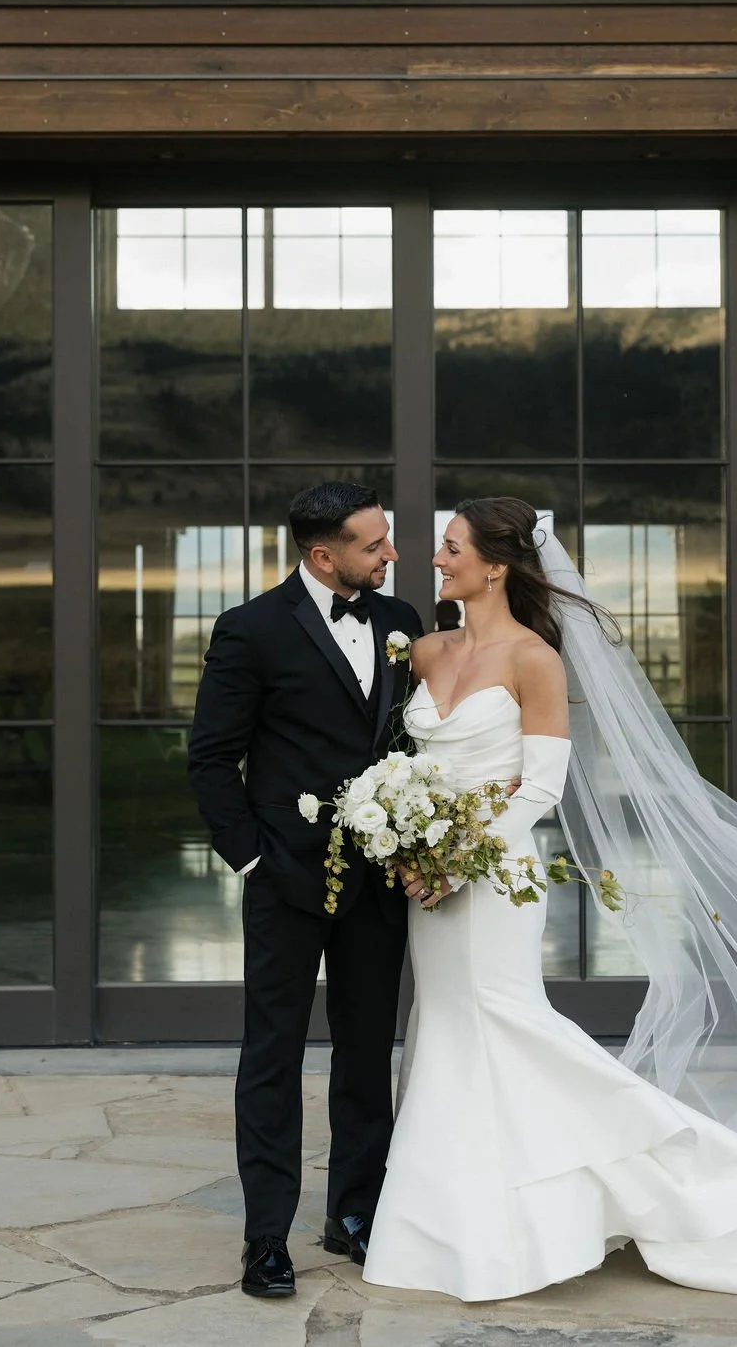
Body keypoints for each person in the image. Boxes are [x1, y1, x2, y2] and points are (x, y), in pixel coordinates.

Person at [362, 496, 737, 1305]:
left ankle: (672, 1160)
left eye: (452, 546)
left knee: (509, 1022)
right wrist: (409, 842)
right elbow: (414, 766)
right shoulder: (425, 651)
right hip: (431, 878)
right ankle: (464, 1225)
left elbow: (541, 782)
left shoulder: (536, 659)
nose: (438, 558)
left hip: (494, 879)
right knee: (449, 1030)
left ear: (495, 565)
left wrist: (463, 858)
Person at [187, 482, 421, 1300]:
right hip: (284, 879)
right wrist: (252, 862)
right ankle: (265, 1239)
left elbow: (411, 747)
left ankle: (354, 1213)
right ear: (323, 555)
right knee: (273, 1056)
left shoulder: (401, 626)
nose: (392, 555)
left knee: (366, 1055)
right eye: (374, 544)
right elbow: (212, 759)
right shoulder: (249, 630)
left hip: (380, 884)